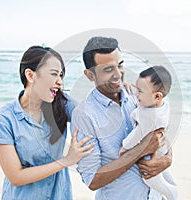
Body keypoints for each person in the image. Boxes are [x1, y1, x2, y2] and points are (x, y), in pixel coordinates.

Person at [70, 36, 172, 200]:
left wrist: (168, 158)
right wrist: (141, 150)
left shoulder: (137, 94)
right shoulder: (84, 115)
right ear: (90, 75)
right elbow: (92, 180)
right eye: (108, 70)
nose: (118, 75)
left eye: (120, 65)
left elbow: (159, 123)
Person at [0, 46, 94, 200]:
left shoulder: (63, 105)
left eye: (61, 75)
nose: (60, 81)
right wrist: (66, 161)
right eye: (53, 74)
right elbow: (16, 177)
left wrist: (121, 90)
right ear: (31, 75)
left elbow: (94, 116)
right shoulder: (3, 119)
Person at [119, 66, 178, 200]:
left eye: (140, 91)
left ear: (157, 96)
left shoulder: (150, 117)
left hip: (150, 153)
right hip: (161, 148)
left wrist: (125, 146)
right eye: (135, 88)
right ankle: (172, 186)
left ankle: (171, 193)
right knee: (165, 172)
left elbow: (137, 135)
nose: (136, 94)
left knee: (149, 177)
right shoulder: (160, 105)